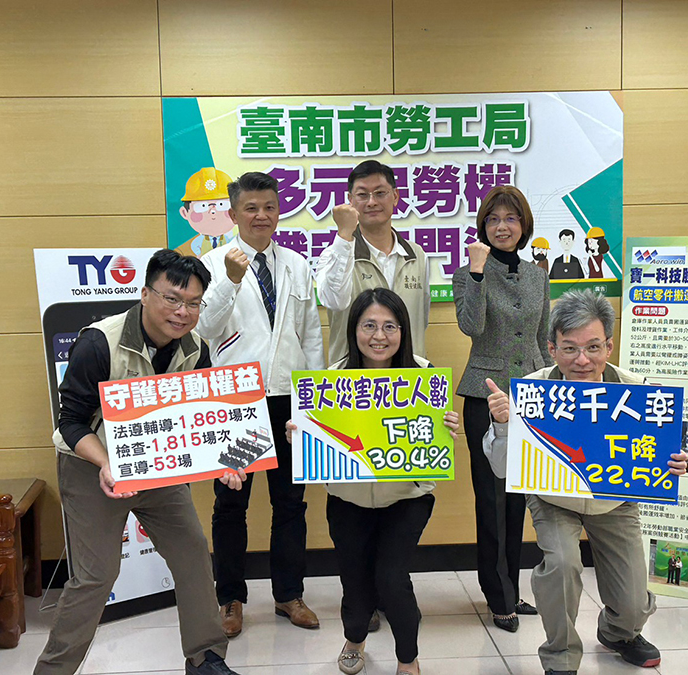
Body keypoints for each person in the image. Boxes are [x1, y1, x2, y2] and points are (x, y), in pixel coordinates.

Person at [35, 249, 241, 675]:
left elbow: (198, 418)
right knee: (95, 577)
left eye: (193, 303)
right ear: (145, 294)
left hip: (159, 467)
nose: (182, 312)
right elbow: (70, 422)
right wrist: (106, 464)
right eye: (172, 299)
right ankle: (53, 671)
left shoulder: (196, 349)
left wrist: (224, 460)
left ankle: (205, 658)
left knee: (192, 554)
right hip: (93, 467)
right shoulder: (99, 343)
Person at [483, 289, 688, 674]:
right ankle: (560, 655)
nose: (582, 360)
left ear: (609, 346)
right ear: (551, 348)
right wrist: (503, 424)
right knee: (561, 565)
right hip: (553, 498)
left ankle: (618, 633)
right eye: (569, 348)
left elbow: (661, 454)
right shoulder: (530, 392)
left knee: (633, 602)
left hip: (614, 498)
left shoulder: (638, 390)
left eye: (593, 347)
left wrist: (674, 462)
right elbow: (500, 468)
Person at [288, 288, 459, 675]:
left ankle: (408, 659)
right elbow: (318, 440)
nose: (379, 336)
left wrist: (446, 426)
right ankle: (355, 638)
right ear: (354, 330)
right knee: (355, 578)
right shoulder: (331, 379)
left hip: (407, 498)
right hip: (347, 500)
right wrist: (300, 434)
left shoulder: (425, 376)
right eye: (369, 326)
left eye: (389, 326)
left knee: (392, 578)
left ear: (403, 331)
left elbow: (432, 448)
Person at [197, 171, 325, 637]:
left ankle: (289, 594)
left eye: (269, 207)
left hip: (289, 398)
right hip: (237, 401)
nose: (261, 216)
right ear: (232, 214)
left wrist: (313, 399)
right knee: (231, 504)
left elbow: (311, 333)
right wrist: (230, 282)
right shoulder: (211, 264)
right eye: (250, 208)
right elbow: (203, 330)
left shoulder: (296, 263)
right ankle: (229, 598)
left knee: (291, 502)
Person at [452, 184, 550, 633]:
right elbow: (472, 326)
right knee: (491, 499)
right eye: (493, 220)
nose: (502, 227)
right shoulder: (468, 274)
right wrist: (476, 273)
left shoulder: (537, 276)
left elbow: (543, 339)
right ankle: (497, 596)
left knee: (518, 499)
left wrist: (551, 390)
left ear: (523, 224)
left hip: (530, 395)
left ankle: (511, 586)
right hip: (484, 394)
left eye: (510, 218)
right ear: (483, 227)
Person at [317, 160, 429, 364]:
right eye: (362, 195)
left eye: (380, 193)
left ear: (395, 196)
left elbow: (421, 320)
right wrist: (344, 234)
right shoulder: (334, 254)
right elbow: (334, 301)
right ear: (350, 200)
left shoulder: (416, 255)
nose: (371, 202)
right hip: (352, 376)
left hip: (408, 376)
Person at [174, 167, 237, 258]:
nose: (212, 211)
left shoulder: (241, 245)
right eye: (202, 206)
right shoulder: (183, 251)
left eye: (221, 205)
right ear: (184, 213)